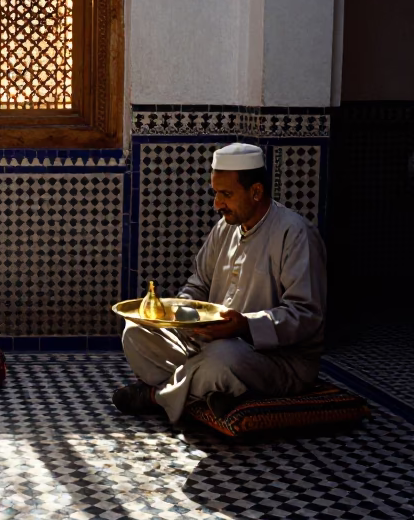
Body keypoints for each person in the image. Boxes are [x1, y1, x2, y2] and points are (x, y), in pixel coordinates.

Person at [113, 142, 327, 423]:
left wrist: (246, 325)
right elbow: (198, 283)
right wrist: (180, 315)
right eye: (215, 193)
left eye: (226, 194)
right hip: (210, 342)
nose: (217, 204)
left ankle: (156, 396)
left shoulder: (295, 234)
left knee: (221, 359)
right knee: (136, 333)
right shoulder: (225, 228)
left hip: (277, 360)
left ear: (256, 192)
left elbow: (306, 315)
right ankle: (211, 391)